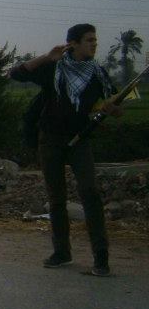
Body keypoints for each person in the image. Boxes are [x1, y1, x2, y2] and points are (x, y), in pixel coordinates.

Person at [10, 23, 123, 277]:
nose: (94, 44)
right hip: (50, 139)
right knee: (56, 198)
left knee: (90, 193)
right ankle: (61, 252)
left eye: (95, 40)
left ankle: (101, 257)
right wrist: (46, 57)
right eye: (89, 40)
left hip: (80, 140)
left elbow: (117, 108)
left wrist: (111, 109)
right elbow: (16, 73)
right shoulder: (54, 68)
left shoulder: (97, 73)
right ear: (73, 43)